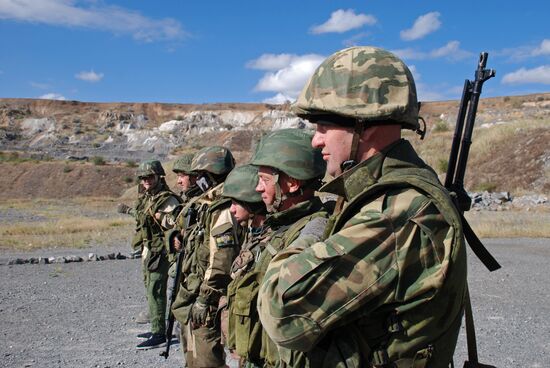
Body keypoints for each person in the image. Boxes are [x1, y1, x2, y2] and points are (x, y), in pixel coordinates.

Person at [258, 46, 468, 368]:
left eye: (323, 126)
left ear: (364, 125)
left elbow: (280, 312)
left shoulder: (398, 213)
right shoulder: (372, 194)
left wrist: (309, 235)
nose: (316, 141)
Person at [228, 128, 330, 368]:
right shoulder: (279, 224)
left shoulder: (314, 229)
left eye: (264, 180)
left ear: (292, 183)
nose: (258, 189)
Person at [169, 146, 238, 368]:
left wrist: (204, 299)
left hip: (208, 299)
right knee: (193, 356)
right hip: (194, 292)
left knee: (207, 360)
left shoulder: (224, 209)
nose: (193, 180)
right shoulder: (205, 206)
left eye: (198, 176)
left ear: (211, 176)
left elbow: (221, 261)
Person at [127, 160, 183, 350]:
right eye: (143, 178)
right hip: (149, 249)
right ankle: (156, 327)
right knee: (150, 287)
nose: (146, 181)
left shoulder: (167, 199)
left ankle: (159, 333)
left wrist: (161, 217)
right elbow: (140, 217)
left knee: (156, 289)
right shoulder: (147, 197)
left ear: (158, 177)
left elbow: (178, 221)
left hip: (161, 250)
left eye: (149, 177)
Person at [220, 164, 267, 367]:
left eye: (236, 202)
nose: (231, 209)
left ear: (252, 202)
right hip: (244, 342)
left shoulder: (269, 239)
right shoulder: (252, 234)